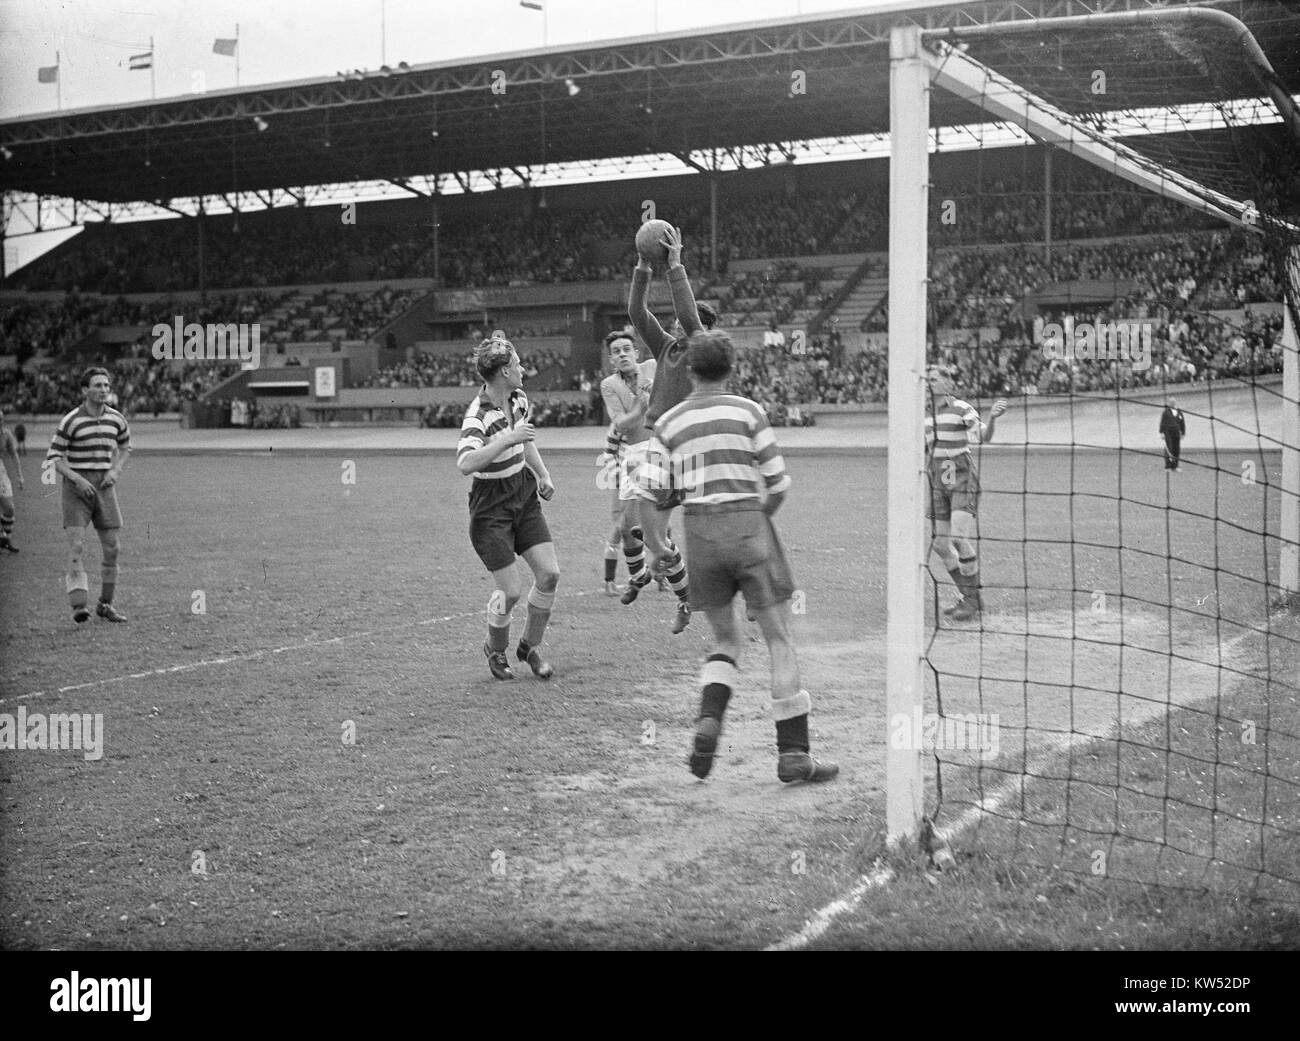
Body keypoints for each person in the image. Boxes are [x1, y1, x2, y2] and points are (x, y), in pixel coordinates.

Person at [640, 329, 837, 784]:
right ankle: (793, 754)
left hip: (700, 535)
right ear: (732, 369)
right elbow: (779, 483)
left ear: (689, 371)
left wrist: (661, 550)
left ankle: (710, 719)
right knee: (779, 640)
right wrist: (755, 521)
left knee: (726, 641)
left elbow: (649, 494)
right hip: (749, 527)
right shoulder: (749, 412)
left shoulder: (668, 424)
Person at [623, 223, 720, 635]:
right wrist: (643, 267)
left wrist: (675, 265)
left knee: (715, 536)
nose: (678, 326)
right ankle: (684, 597)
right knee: (652, 536)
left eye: (687, 322)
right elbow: (636, 314)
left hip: (693, 448)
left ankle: (753, 595)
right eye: (680, 324)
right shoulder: (664, 347)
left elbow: (685, 314)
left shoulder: (701, 346)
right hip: (662, 446)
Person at [457, 331, 560, 681]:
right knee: (510, 591)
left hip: (523, 494)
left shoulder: (518, 398)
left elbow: (525, 442)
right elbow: (466, 463)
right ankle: (495, 649)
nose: (522, 369)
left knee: (549, 574)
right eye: (517, 364)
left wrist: (543, 474)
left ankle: (529, 647)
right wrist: (507, 439)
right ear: (503, 371)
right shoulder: (477, 416)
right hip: (490, 508)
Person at [45, 367, 132, 623]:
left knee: (113, 548)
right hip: (76, 488)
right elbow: (54, 457)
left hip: (104, 487)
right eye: (98, 385)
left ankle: (105, 605)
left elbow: (126, 446)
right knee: (77, 546)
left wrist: (115, 469)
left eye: (106, 385)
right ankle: (78, 605)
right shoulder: (71, 420)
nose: (104, 390)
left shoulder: (117, 419)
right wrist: (76, 478)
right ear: (85, 390)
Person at [925, 365, 1007, 622]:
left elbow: (983, 437)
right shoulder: (923, 414)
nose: (930, 383)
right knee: (940, 544)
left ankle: (971, 602)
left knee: (959, 537)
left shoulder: (962, 408)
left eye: (935, 379)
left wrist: (992, 418)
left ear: (949, 384)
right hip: (938, 479)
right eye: (928, 379)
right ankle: (969, 597)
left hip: (962, 478)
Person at [599, 329, 657, 597]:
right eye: (616, 351)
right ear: (611, 358)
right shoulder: (609, 385)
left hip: (658, 450)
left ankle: (656, 574)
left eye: (626, 349)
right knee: (626, 524)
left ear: (637, 352)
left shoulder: (653, 367)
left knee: (651, 520)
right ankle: (640, 576)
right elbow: (621, 423)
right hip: (631, 455)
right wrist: (641, 406)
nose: (622, 354)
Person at [0, 409, 24, 553]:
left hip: (0, 471)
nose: (0, 421)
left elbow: (14, 454)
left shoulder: (6, 434)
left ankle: (6, 539)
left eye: (2, 418)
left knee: (9, 508)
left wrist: (20, 476)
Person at [1160, 397, 1186, 472]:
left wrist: (1183, 432)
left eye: (1174, 402)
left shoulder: (1179, 411)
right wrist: (1161, 432)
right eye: (1171, 402)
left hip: (1176, 433)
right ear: (1169, 403)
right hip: (1167, 432)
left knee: (1176, 449)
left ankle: (1175, 466)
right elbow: (1162, 422)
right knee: (1169, 448)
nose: (1173, 403)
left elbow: (1182, 423)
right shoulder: (1166, 412)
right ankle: (1168, 466)